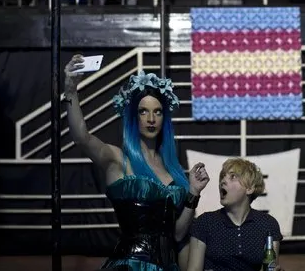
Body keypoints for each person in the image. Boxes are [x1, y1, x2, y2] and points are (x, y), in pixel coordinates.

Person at [64, 56, 211, 271]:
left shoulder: (173, 168)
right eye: (143, 111)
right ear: (134, 116)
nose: (151, 118)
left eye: (157, 112)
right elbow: (81, 138)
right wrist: (70, 92)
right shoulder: (117, 159)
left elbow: (178, 234)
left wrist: (193, 194)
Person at [187, 158, 284, 271]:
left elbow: (270, 267)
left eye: (232, 177)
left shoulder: (268, 224)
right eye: (222, 176)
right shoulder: (205, 222)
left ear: (250, 188)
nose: (222, 181)